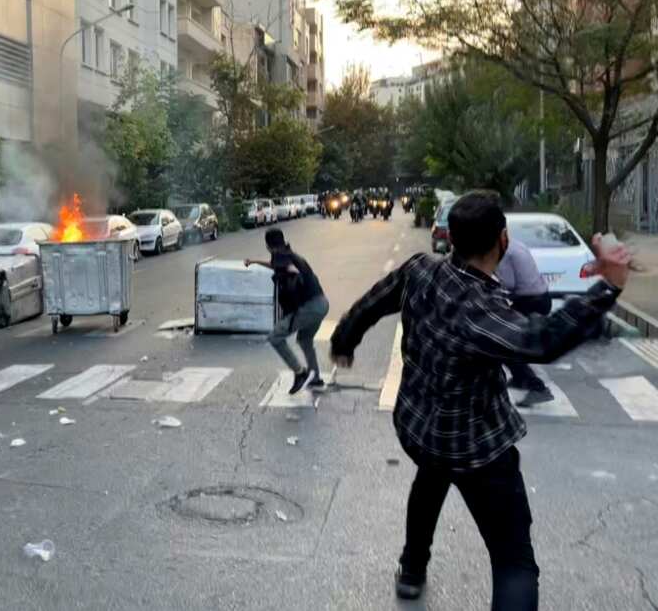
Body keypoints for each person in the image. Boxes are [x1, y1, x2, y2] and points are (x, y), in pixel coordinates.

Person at [329, 191, 630, 610]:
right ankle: (413, 569)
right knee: (514, 562)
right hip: (479, 451)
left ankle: (412, 572)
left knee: (430, 480)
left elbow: (374, 301)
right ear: (502, 242)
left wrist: (345, 338)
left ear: (450, 238)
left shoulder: (420, 270)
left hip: (420, 430)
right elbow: (541, 340)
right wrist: (608, 286)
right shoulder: (483, 309)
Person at [245, 228, 330, 394]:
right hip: (321, 304)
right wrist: (255, 261)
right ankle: (316, 379)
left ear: (269, 246)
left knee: (275, 337)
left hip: (309, 307)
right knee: (305, 341)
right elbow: (278, 266)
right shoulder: (288, 254)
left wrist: (294, 275)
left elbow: (289, 269)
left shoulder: (282, 257)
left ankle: (300, 373)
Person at [497, 237, 555, 407]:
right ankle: (520, 377)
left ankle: (537, 387)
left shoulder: (503, 252)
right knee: (508, 341)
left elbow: (509, 283)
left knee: (504, 342)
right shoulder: (516, 244)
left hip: (531, 301)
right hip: (540, 297)